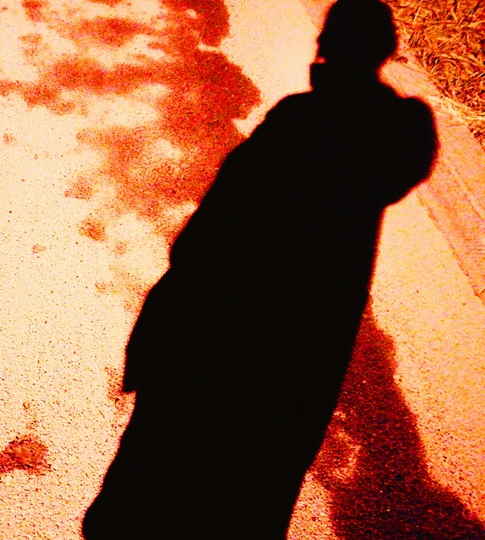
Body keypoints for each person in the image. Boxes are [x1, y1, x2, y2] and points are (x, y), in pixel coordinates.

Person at [82, 0, 438, 538]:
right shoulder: (395, 136)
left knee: (158, 480)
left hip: (221, 333)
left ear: (326, 46)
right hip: (307, 352)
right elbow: (408, 153)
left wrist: (162, 325)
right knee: (255, 491)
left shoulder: (298, 122)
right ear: (386, 51)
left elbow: (213, 230)